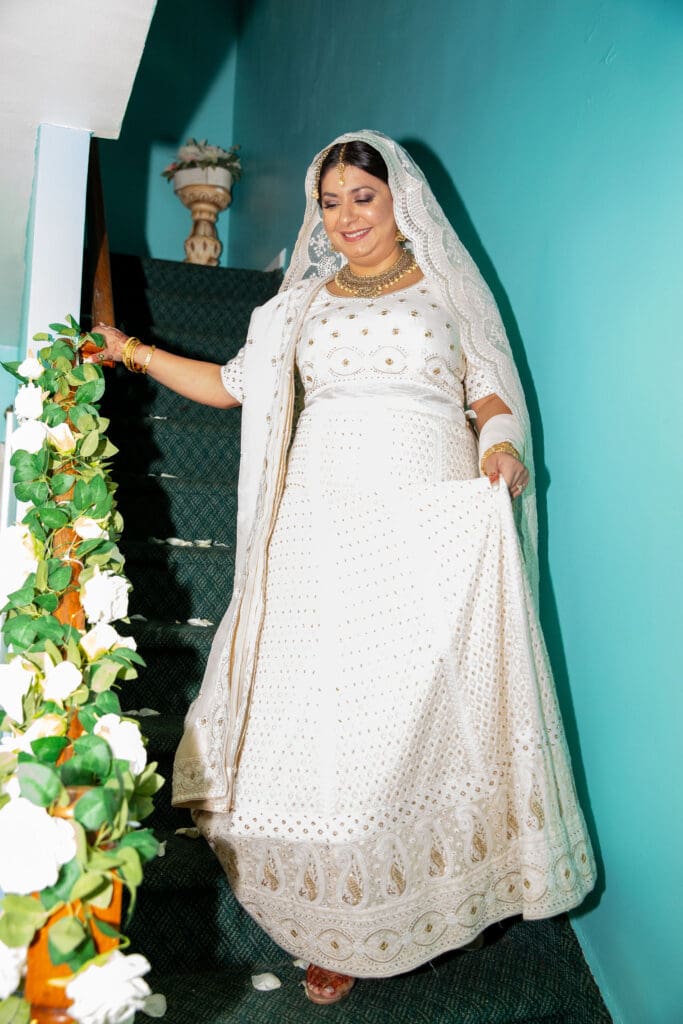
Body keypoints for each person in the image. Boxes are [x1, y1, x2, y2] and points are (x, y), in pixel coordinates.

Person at [93, 131, 596, 1005]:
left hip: (424, 519)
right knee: (326, 725)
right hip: (319, 530)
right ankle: (334, 925)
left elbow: (489, 391)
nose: (345, 216)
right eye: (330, 202)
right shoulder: (298, 306)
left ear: (400, 199)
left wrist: (502, 448)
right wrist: (126, 349)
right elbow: (229, 384)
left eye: (361, 197)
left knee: (403, 724)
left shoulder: (448, 290)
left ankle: (407, 905)